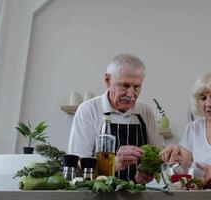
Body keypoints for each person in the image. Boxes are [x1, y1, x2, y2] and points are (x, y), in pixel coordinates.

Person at [68, 53, 162, 183]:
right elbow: (77, 168)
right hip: (98, 195)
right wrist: (113, 165)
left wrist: (147, 174)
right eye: (125, 85)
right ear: (108, 80)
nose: (131, 94)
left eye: (137, 87)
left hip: (137, 194)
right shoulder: (88, 110)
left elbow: (158, 159)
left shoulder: (145, 112)